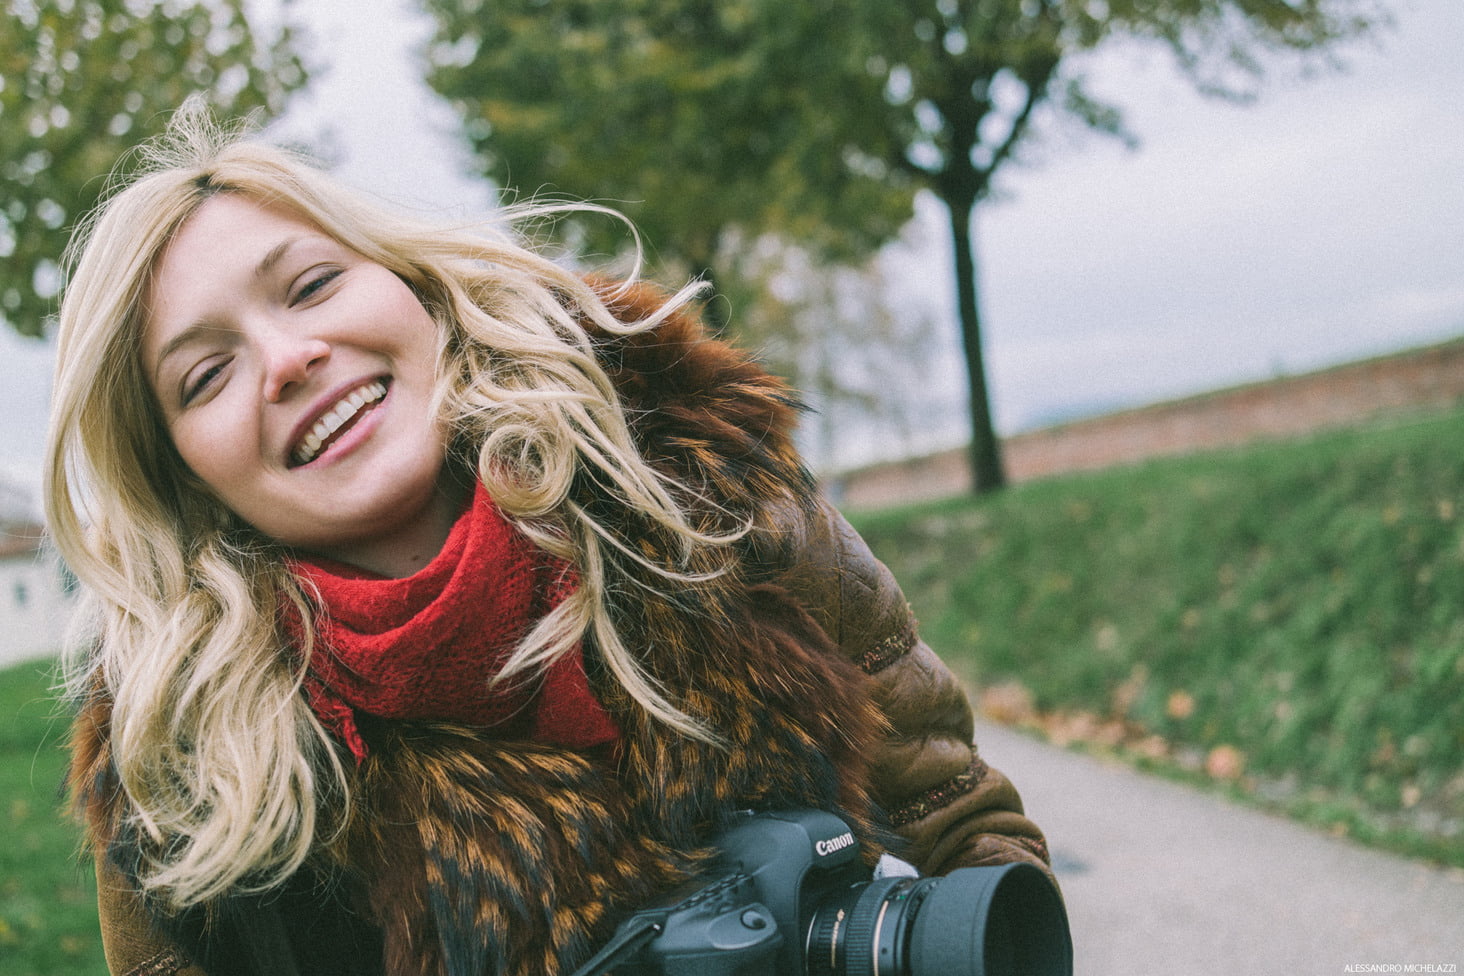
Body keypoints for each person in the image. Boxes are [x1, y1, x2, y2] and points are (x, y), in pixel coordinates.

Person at [47, 103, 1054, 976]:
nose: (289, 358)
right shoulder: (182, 775)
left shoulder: (701, 490)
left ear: (413, 289)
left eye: (310, 285)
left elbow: (970, 842)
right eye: (206, 375)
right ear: (183, 472)